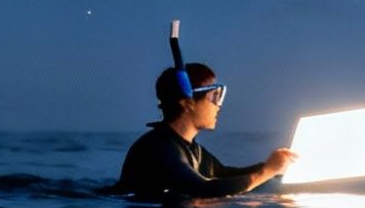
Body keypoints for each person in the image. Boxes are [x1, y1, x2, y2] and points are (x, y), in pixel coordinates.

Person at [113, 63, 295, 198]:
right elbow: (203, 190)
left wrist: (276, 166)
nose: (219, 106)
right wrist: (266, 172)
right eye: (214, 96)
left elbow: (225, 176)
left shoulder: (192, 150)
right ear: (188, 103)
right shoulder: (158, 148)